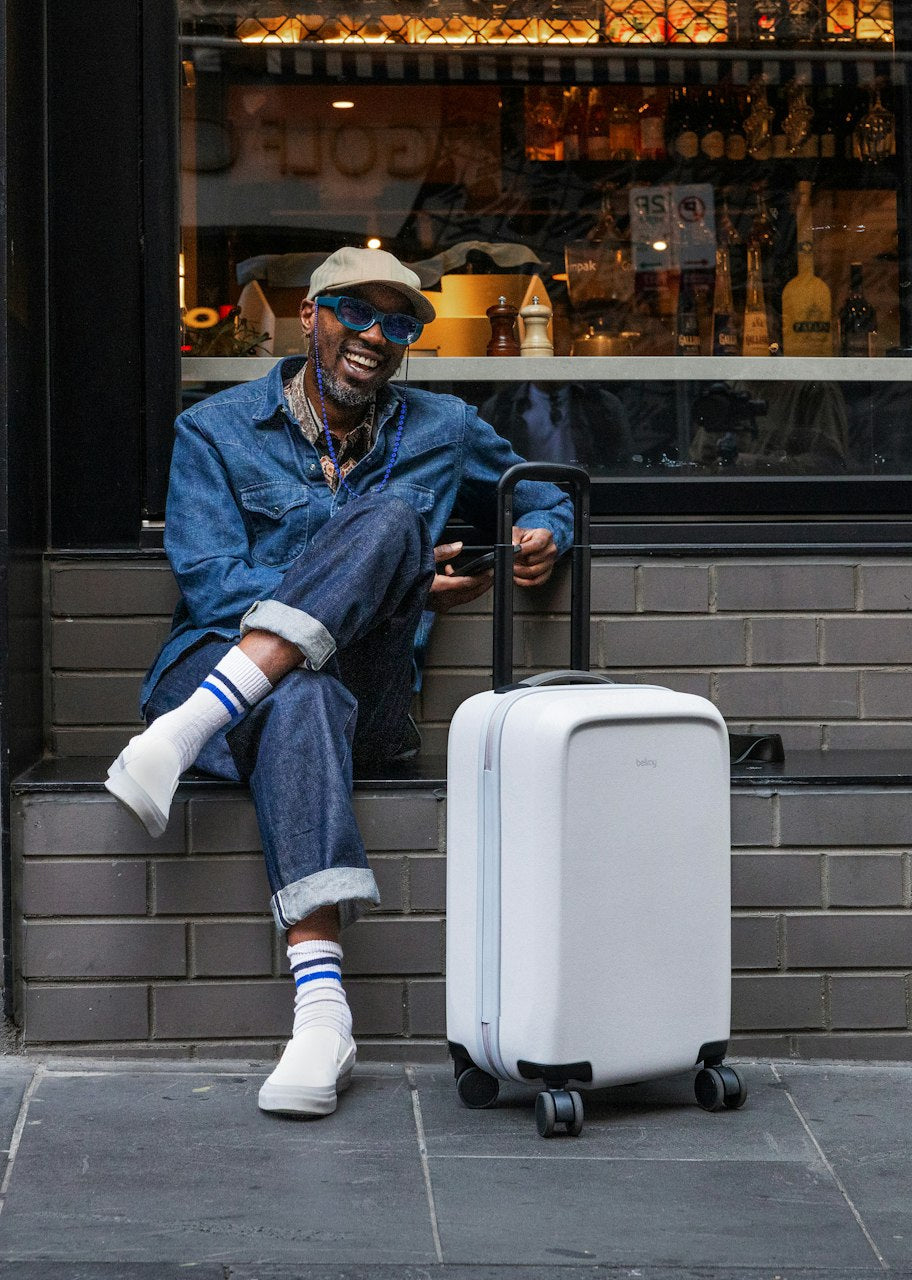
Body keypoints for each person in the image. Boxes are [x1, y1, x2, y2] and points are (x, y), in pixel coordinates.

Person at [106, 246, 574, 1118]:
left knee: (390, 518)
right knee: (303, 690)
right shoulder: (216, 430)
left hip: (370, 702)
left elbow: (542, 488)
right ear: (310, 317)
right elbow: (211, 583)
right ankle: (323, 1015)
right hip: (215, 662)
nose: (375, 336)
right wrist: (377, 584)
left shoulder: (443, 428)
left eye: (398, 322)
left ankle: (175, 740)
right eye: (355, 313)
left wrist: (546, 532)